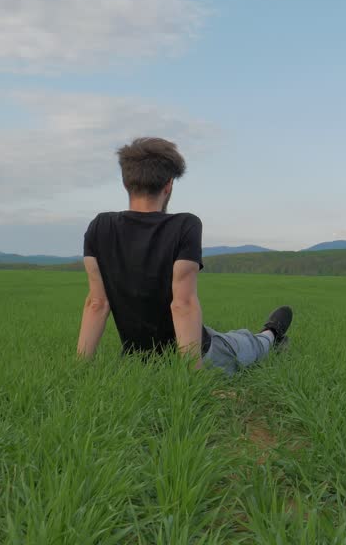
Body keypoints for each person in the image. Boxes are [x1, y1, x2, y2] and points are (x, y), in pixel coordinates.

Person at [76, 137, 292, 374]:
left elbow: (97, 303)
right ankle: (271, 334)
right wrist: (193, 380)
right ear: (169, 185)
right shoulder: (184, 225)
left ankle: (257, 335)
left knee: (225, 337)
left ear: (125, 183)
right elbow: (183, 303)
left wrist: (80, 371)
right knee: (247, 345)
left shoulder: (99, 226)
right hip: (197, 355)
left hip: (136, 361)